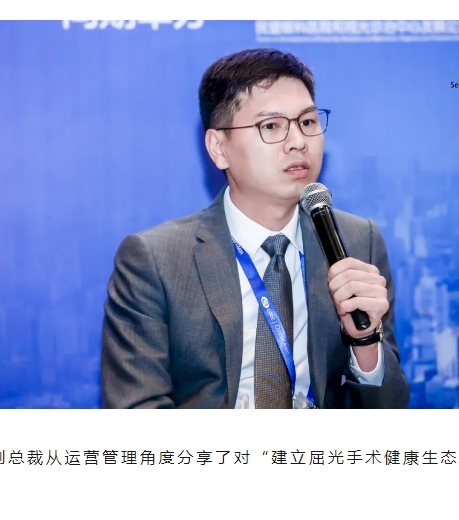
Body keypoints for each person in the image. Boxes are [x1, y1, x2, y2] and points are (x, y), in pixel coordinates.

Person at [101, 48, 410, 409]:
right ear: (219, 148)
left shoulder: (358, 241)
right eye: (271, 126)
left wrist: (365, 340)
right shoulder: (156, 260)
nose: (298, 141)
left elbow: (388, 410)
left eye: (308, 122)